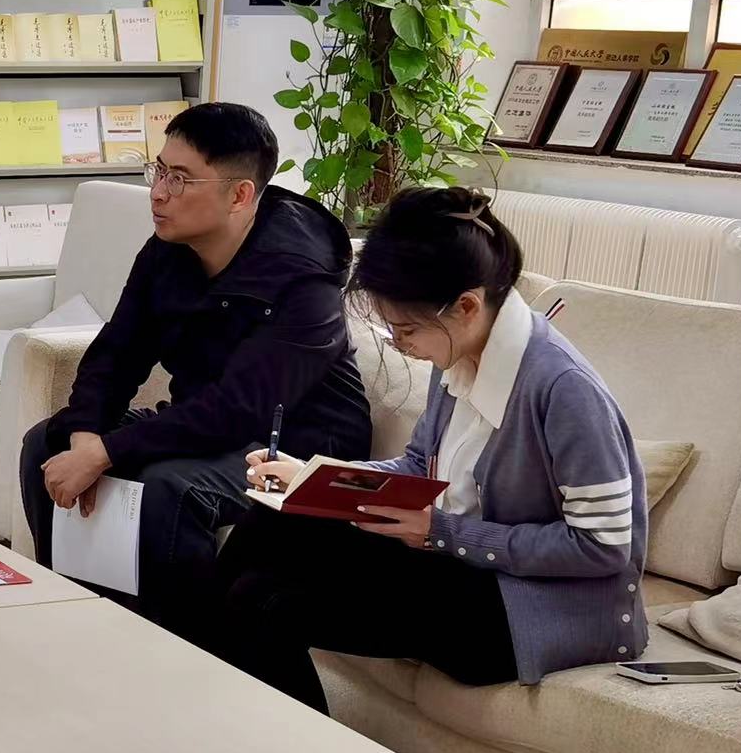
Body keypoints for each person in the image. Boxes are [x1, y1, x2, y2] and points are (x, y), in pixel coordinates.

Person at [212, 187, 648, 710]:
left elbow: (602, 546)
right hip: (459, 565)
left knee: (267, 605)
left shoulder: (563, 388)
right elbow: (419, 465)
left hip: (528, 606)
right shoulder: (460, 356)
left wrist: (442, 532)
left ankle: (288, 751)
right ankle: (203, 686)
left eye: (407, 329)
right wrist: (315, 477)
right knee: (276, 518)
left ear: (467, 306)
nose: (400, 345)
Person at [18, 102, 369, 636]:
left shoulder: (303, 278)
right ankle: (80, 619)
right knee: (46, 444)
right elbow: (116, 354)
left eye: (179, 179)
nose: (158, 193)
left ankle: (186, 650)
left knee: (171, 488)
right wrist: (86, 435)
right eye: (158, 170)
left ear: (240, 195)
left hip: (296, 445)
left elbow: (240, 408)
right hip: (206, 427)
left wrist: (108, 452)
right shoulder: (167, 250)